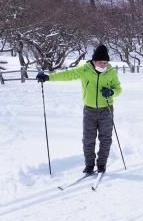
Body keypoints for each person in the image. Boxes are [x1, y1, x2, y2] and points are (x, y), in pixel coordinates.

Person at [36, 44, 122, 175]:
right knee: (88, 138)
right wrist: (48, 77)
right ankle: (89, 164)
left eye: (105, 62)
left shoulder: (111, 72)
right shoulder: (85, 70)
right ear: (94, 61)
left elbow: (118, 89)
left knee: (105, 138)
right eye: (101, 62)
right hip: (89, 110)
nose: (104, 65)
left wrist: (111, 92)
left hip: (106, 110)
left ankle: (101, 164)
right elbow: (67, 74)